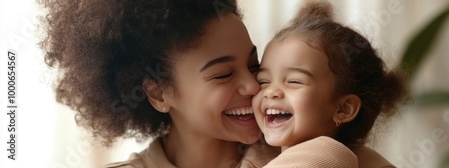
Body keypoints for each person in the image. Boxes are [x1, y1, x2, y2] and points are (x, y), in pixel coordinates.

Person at [38, 0, 280, 167]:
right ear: (158, 93)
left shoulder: (301, 156)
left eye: (253, 65)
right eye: (223, 74)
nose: (253, 86)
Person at [252, 0, 408, 167]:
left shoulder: (320, 157)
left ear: (343, 108)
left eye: (294, 81)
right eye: (263, 81)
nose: (270, 91)